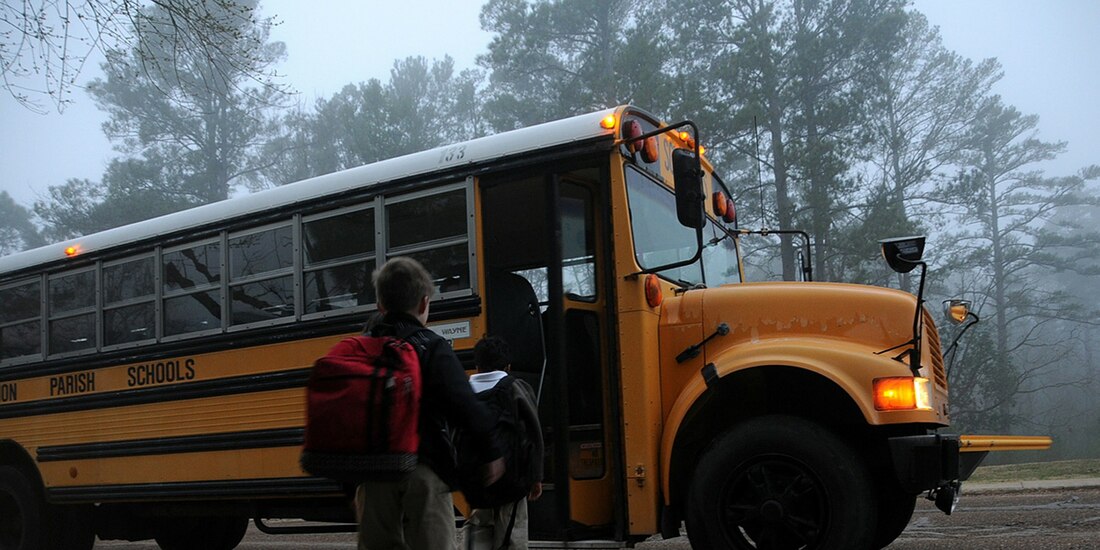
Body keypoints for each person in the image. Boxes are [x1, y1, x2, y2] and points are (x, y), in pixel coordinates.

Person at [357, 257, 504, 550]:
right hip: (423, 470)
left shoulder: (361, 349)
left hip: (371, 474)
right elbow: (464, 405)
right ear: (424, 304)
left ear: (380, 306)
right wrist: (491, 452)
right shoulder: (431, 346)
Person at [464, 336, 544, 550]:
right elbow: (533, 433)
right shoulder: (516, 387)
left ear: (477, 365)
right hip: (513, 480)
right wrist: (535, 476)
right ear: (507, 366)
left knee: (479, 532)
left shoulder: (464, 391)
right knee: (512, 535)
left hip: (477, 482)